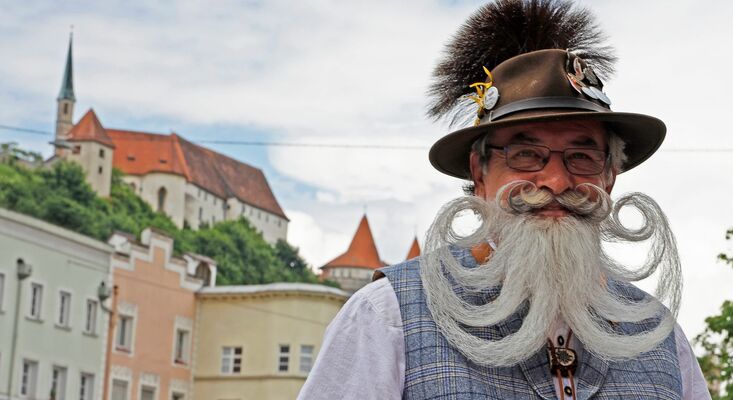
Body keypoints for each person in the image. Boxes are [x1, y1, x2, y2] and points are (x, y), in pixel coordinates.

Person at [299, 0, 711, 398]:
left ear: (609, 178)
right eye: (525, 154)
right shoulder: (387, 315)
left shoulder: (661, 338)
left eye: (582, 157)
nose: (556, 180)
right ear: (479, 174)